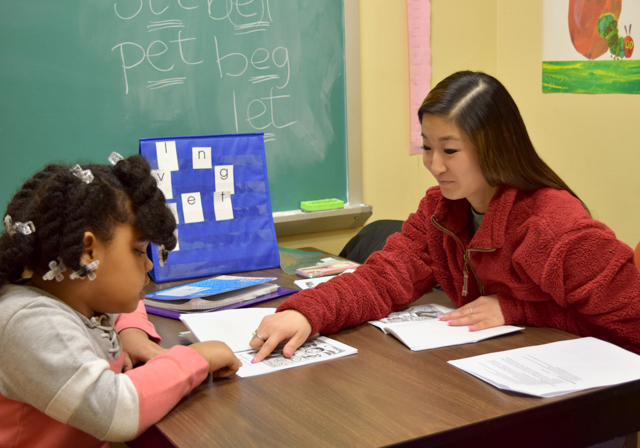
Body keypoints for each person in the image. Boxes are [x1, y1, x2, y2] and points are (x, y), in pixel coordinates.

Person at [249, 70, 640, 363]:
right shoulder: (440, 210)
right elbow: (384, 277)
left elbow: (632, 322)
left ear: (496, 147)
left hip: (572, 399)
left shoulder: (553, 226)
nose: (435, 165)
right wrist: (307, 311)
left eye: (450, 150)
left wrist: (519, 309)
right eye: (426, 147)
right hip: (485, 377)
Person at [0, 154, 241, 447]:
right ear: (87, 252)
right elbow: (115, 411)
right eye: (139, 251)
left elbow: (127, 304)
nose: (149, 266)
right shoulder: (30, 322)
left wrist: (131, 333)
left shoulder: (79, 298)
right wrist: (197, 358)